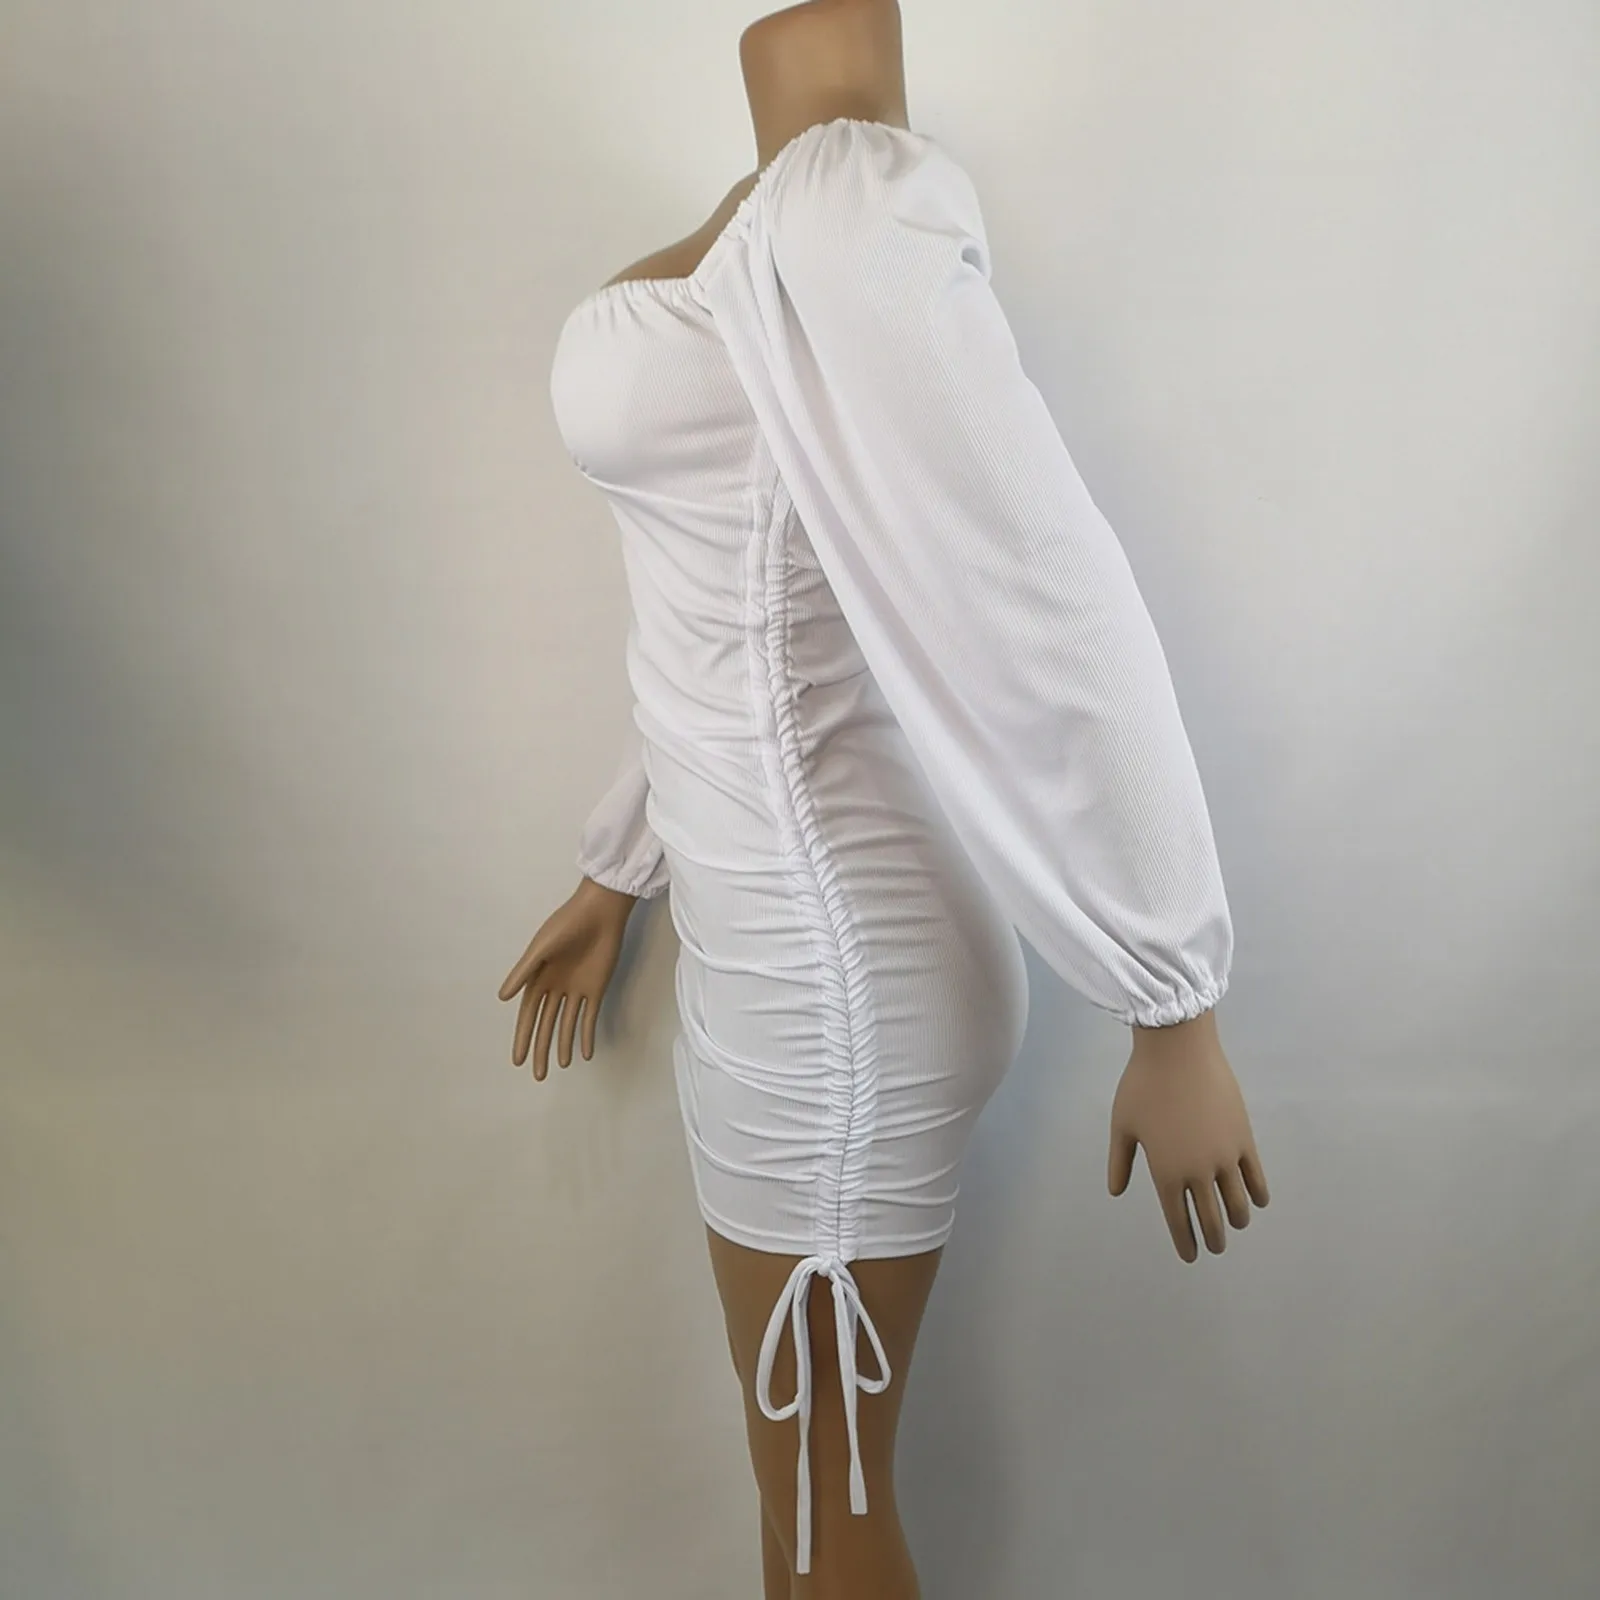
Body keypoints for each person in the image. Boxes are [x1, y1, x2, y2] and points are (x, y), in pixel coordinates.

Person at [500, 3, 1269, 1595]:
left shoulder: (853, 211)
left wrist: (1171, 995)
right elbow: (744, 620)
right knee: (801, 1490)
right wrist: (619, 867)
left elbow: (1041, 586)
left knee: (822, 1508)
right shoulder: (781, 214)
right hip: (761, 940)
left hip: (836, 978)